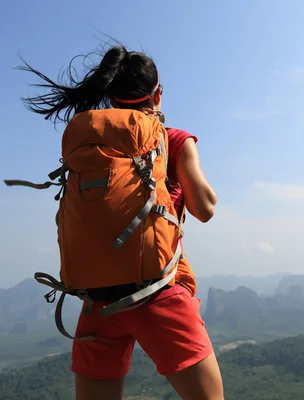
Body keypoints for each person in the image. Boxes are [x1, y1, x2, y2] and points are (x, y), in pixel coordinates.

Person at [16, 44, 225, 400]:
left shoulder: (95, 142)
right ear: (158, 93)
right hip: (158, 295)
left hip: (98, 302)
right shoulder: (173, 140)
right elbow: (205, 209)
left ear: (111, 97)